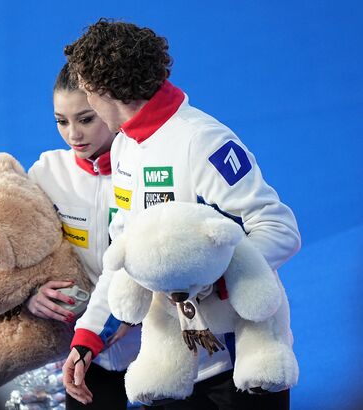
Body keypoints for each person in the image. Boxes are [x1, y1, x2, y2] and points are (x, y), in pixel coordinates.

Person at [61, 19, 301, 410]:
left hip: (238, 369)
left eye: (88, 92)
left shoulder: (203, 140)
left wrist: (212, 278)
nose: (88, 103)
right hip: (171, 370)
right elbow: (126, 256)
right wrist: (89, 336)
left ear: (104, 90)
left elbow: (278, 228)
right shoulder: (124, 148)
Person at [27, 63, 141, 409]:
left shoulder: (144, 168)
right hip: (91, 357)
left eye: (86, 119)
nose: (73, 134)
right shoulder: (47, 173)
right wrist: (32, 295)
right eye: (62, 121)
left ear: (112, 107)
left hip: (155, 347)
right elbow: (25, 254)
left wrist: (133, 309)